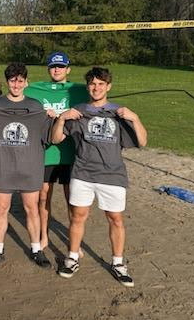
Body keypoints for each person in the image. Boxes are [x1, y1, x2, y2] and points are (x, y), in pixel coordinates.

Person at [50, 67, 147, 287]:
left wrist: (135, 118)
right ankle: (72, 257)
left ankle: (118, 263)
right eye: (93, 84)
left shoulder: (119, 113)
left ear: (108, 86)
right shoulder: (78, 111)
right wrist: (62, 119)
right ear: (88, 87)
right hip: (83, 174)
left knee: (115, 219)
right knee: (78, 216)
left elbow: (142, 142)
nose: (96, 88)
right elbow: (56, 140)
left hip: (112, 176)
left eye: (101, 84)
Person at [0, 63, 53, 269]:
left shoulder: (37, 108)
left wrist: (52, 118)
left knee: (32, 208)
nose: (16, 84)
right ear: (7, 82)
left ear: (26, 82)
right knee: (1, 208)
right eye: (12, 80)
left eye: (20, 80)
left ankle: (37, 249)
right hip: (3, 166)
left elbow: (50, 137)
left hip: (29, 166)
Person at [24, 51, 89, 251]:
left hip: (72, 154)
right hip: (47, 154)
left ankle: (74, 241)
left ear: (68, 69)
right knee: (44, 197)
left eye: (61, 66)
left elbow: (97, 99)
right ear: (48, 69)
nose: (57, 70)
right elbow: (15, 96)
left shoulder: (79, 91)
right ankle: (44, 236)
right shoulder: (34, 90)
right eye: (53, 66)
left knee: (73, 199)